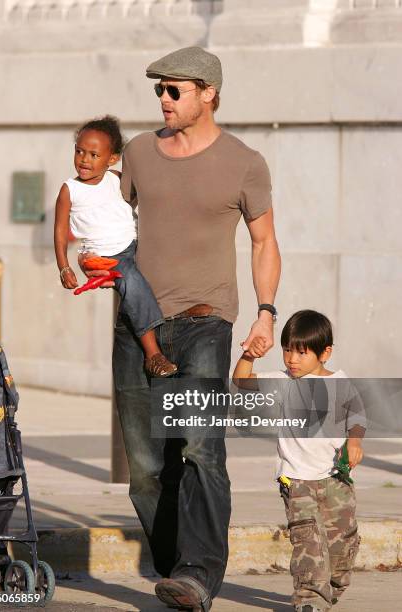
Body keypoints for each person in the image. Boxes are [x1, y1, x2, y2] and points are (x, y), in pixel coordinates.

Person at [82, 46, 281, 611]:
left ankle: (196, 574)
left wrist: (266, 311)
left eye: (174, 90)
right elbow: (110, 224)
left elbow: (265, 241)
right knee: (145, 472)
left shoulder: (244, 162)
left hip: (204, 324)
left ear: (208, 93)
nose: (163, 100)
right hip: (137, 328)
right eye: (159, 91)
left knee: (199, 449)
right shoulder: (140, 154)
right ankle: (179, 575)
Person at [233, 310, 365, 612]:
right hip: (296, 480)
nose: (292, 359)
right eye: (287, 350)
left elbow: (357, 417)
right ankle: (310, 600)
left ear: (325, 353)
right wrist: (249, 355)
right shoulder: (281, 382)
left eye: (301, 353)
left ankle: (331, 588)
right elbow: (241, 382)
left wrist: (355, 442)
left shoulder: (341, 384)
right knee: (308, 542)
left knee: (340, 547)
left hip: (335, 477)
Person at [54, 115, 177, 377]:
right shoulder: (70, 189)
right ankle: (153, 354)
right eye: (79, 151)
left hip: (135, 245)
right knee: (130, 280)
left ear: (111, 158)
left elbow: (144, 194)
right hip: (107, 257)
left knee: (160, 271)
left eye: (94, 154)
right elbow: (60, 230)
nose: (84, 160)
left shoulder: (116, 179)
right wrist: (64, 267)